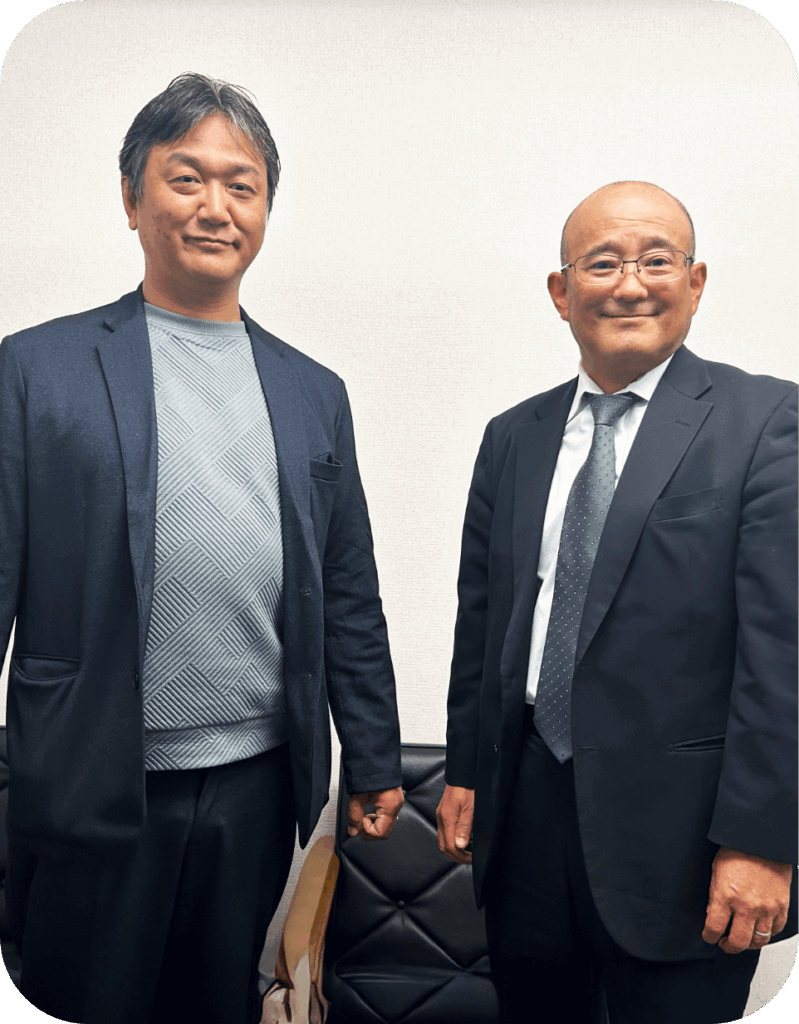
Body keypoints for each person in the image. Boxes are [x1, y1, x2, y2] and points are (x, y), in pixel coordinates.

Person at [0, 73, 404, 1024]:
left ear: (264, 210)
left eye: (241, 185)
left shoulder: (313, 391)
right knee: (83, 999)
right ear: (132, 198)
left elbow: (347, 588)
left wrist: (374, 754)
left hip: (259, 781)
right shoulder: (35, 368)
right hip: (91, 768)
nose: (215, 207)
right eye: (186, 179)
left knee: (221, 1001)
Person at [436, 181, 797, 1024]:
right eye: (601, 264)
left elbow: (783, 653)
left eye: (655, 261)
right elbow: (483, 619)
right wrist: (466, 770)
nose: (629, 284)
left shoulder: (766, 421)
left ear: (694, 283)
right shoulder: (513, 436)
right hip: (524, 813)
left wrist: (761, 840)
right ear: (560, 292)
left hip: (684, 837)